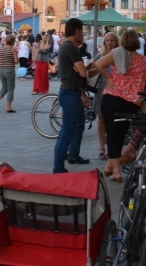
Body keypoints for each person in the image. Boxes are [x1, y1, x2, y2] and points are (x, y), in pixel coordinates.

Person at [96, 30, 146, 182]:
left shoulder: (117, 54)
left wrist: (108, 78)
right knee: (120, 135)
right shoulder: (145, 61)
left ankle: (116, 171)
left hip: (111, 99)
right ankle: (110, 168)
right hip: (131, 103)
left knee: (112, 135)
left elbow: (99, 64)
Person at [52, 18, 91, 174]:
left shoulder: (65, 46)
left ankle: (69, 157)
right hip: (70, 93)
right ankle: (58, 168)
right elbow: (82, 72)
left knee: (74, 128)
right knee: (67, 133)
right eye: (81, 31)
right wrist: (84, 68)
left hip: (69, 91)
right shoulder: (71, 48)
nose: (83, 33)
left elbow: (79, 71)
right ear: (76, 31)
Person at [88, 32, 119, 160]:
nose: (110, 43)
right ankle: (102, 148)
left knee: (114, 119)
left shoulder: (119, 55)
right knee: (101, 118)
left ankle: (113, 148)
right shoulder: (100, 55)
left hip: (116, 90)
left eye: (112, 40)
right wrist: (101, 65)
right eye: (107, 40)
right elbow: (90, 73)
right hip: (102, 88)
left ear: (116, 42)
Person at [0, 35, 19, 112]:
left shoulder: (1, 49)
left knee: (4, 87)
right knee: (10, 88)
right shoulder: (12, 49)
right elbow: (16, 61)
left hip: (1, 70)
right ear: (13, 41)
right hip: (9, 70)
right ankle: (8, 107)